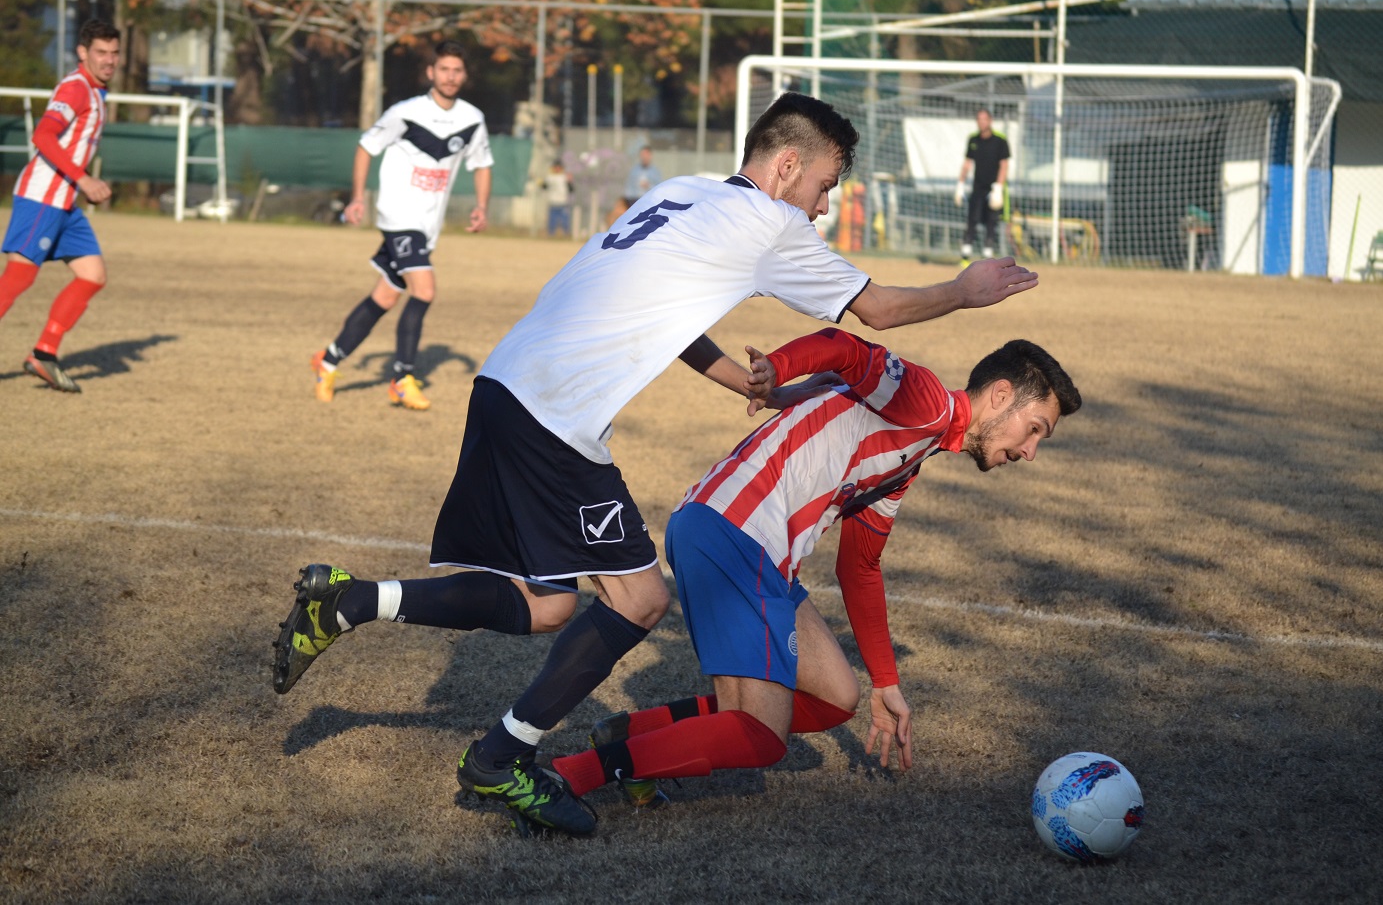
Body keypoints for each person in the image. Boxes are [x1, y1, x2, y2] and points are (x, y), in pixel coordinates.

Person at [273, 91, 1040, 837]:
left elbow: (653, 306)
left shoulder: (680, 193)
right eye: (822, 187)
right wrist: (964, 291)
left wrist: (740, 381)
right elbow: (873, 312)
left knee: (548, 605)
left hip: (506, 381)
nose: (819, 207)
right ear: (784, 166)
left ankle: (348, 603)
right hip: (558, 411)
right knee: (639, 600)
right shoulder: (770, 223)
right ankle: (504, 758)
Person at [547, 329, 1081, 809]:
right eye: (1034, 430)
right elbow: (847, 349)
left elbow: (861, 567)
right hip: (733, 532)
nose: (1031, 451)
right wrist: (776, 369)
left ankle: (625, 735)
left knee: (834, 697)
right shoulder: (926, 403)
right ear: (1002, 396)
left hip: (758, 553)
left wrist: (886, 682)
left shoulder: (912, 454)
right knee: (759, 736)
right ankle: (573, 776)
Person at [310, 40, 493, 412]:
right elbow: (366, 147)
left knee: (386, 296)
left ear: (465, 76)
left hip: (427, 226)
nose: (450, 76)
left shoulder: (472, 119)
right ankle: (401, 378)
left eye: (457, 70)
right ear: (431, 73)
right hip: (398, 217)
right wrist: (358, 197)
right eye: (444, 69)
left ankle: (327, 362)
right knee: (424, 291)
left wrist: (481, 206)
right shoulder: (405, 113)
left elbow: (482, 163)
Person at [0, 19, 120, 394]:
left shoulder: (97, 91)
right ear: (83, 53)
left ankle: (44, 354)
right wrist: (83, 179)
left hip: (65, 202)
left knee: (92, 275)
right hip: (42, 198)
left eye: (115, 53)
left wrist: (78, 184)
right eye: (101, 52)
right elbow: (42, 135)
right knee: (19, 278)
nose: (109, 60)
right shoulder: (76, 88)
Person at [955, 109, 1010, 261]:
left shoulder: (1000, 140)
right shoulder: (973, 140)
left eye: (984, 119)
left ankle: (988, 255)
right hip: (978, 187)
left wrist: (998, 187)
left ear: (990, 121)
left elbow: (1004, 165)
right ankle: (965, 255)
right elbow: (967, 163)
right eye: (979, 119)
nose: (981, 122)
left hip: (993, 187)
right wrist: (960, 184)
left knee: (991, 221)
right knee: (972, 219)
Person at [543, 160, 572, 238]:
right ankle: (551, 235)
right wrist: (540, 183)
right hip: (553, 202)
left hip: (562, 202)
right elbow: (544, 187)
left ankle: (566, 234)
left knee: (564, 221)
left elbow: (571, 189)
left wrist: (569, 182)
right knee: (552, 221)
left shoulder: (564, 177)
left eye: (559, 167)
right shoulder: (549, 177)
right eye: (556, 167)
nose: (557, 169)